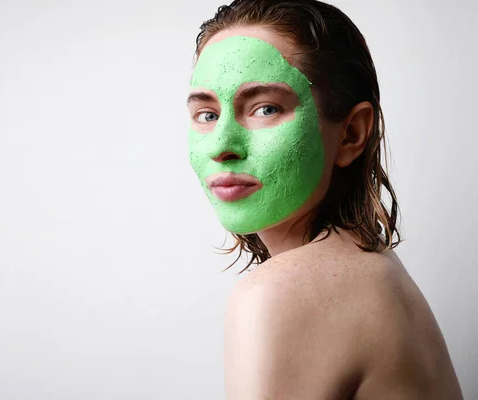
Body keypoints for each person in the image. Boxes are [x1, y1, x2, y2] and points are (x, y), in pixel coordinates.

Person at [186, 0, 463, 398]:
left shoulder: (280, 293)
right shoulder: (372, 269)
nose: (222, 146)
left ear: (350, 134)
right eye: (208, 114)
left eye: (265, 108)